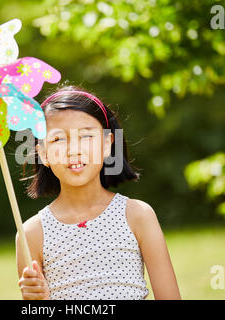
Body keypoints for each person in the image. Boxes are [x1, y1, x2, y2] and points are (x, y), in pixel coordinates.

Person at [16, 85, 181, 300]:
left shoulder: (137, 215)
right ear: (43, 154)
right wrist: (37, 300)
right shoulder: (31, 234)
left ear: (106, 144)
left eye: (85, 136)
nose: (73, 150)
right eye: (58, 139)